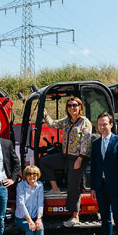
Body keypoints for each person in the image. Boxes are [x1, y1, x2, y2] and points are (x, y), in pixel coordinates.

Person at [40, 96, 92, 227]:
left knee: (73, 186)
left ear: (80, 107)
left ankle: (75, 216)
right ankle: (55, 188)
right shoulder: (67, 121)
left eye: (75, 105)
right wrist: (43, 111)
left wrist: (80, 159)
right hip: (65, 156)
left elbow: (86, 142)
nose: (72, 108)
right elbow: (52, 124)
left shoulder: (85, 122)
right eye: (69, 106)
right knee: (44, 162)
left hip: (77, 158)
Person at [15, 165, 45, 235]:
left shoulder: (40, 185)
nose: (32, 176)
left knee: (40, 229)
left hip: (35, 216)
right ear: (25, 175)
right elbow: (21, 203)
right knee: (30, 229)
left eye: (34, 174)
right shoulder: (20, 185)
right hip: (22, 218)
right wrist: (29, 221)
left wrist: (38, 219)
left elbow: (40, 203)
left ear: (38, 175)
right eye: (29, 174)